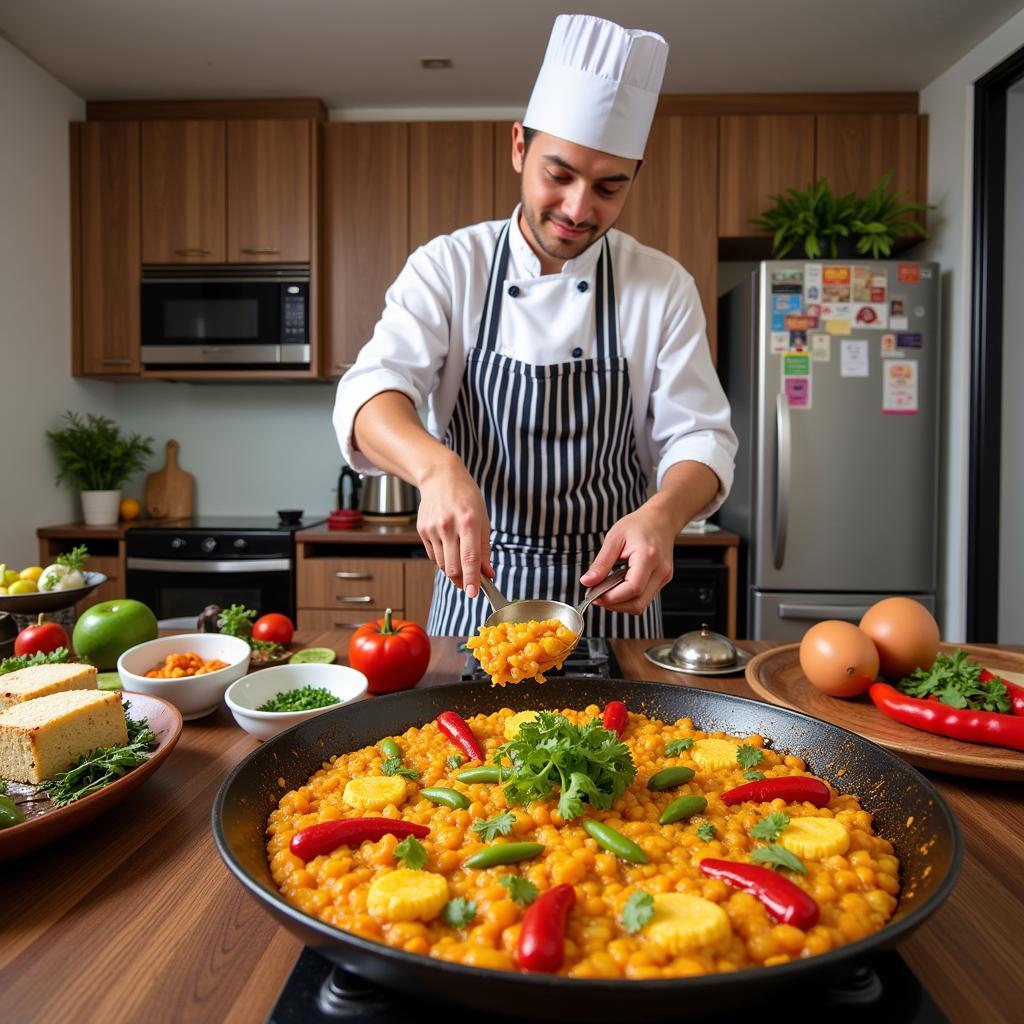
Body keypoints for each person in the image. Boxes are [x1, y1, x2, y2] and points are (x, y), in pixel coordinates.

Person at [333, 14, 737, 638]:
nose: (579, 208)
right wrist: (436, 469)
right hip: (479, 586)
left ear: (635, 177)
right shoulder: (449, 266)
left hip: (611, 591)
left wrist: (662, 515)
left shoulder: (662, 286)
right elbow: (371, 395)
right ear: (519, 145)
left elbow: (701, 439)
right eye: (559, 174)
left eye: (609, 186)